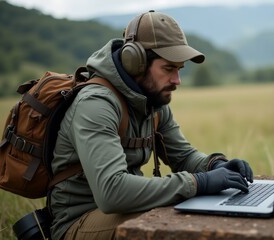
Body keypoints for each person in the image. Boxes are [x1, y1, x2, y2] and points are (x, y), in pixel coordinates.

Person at [50, 10, 254, 240]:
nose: (177, 81)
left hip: (124, 210)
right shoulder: (96, 105)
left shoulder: (153, 101)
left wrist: (215, 165)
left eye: (179, 69)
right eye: (169, 69)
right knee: (168, 220)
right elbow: (112, 193)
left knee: (184, 210)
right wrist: (198, 183)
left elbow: (184, 157)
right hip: (79, 221)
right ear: (135, 62)